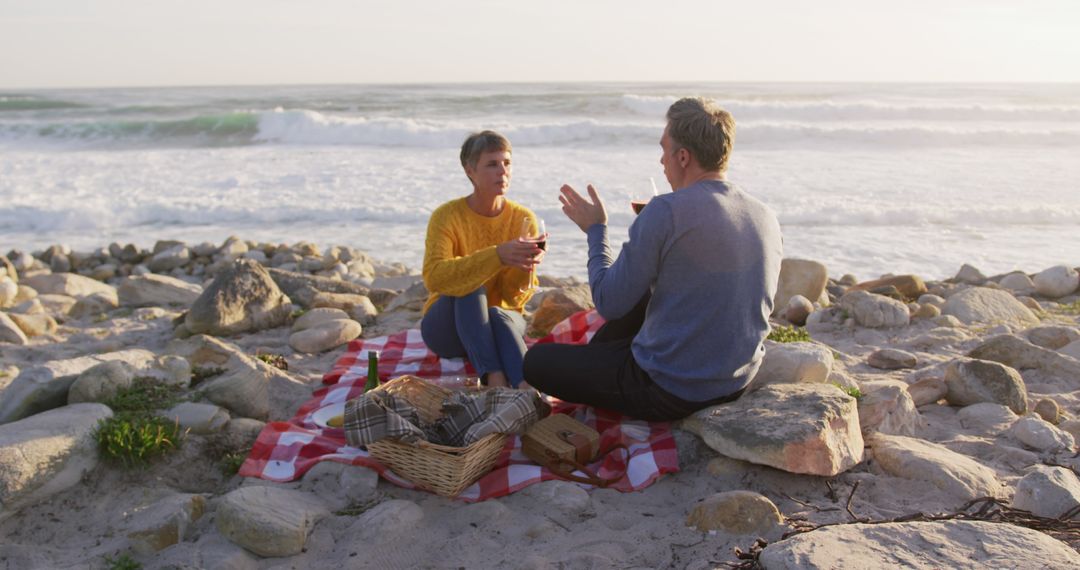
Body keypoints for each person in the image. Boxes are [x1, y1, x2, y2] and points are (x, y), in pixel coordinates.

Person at [522, 97, 783, 420]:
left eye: (665, 149)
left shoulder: (666, 209)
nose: (662, 161)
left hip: (671, 390)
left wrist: (596, 230)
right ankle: (598, 362)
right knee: (641, 297)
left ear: (683, 157)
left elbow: (608, 302)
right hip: (737, 380)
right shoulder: (765, 215)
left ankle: (598, 369)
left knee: (535, 362)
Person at [420, 130, 544, 388]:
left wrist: (525, 267)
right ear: (470, 171)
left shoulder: (523, 219)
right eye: (492, 164)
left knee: (499, 313)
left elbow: (515, 297)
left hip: (499, 324)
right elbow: (434, 277)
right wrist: (497, 255)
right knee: (471, 285)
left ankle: (527, 390)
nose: (503, 171)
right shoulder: (446, 216)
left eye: (506, 163)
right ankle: (494, 379)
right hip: (447, 329)